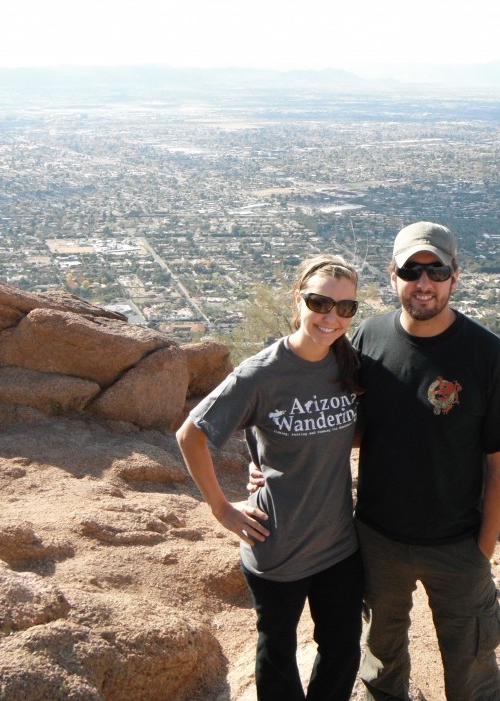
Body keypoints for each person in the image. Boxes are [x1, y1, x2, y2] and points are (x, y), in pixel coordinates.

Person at [176, 254, 364, 701]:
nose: (331, 317)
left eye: (345, 308)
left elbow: (348, 434)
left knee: (342, 648)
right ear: (298, 300)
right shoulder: (262, 373)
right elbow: (191, 436)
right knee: (276, 652)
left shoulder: (350, 365)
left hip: (338, 542)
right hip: (277, 544)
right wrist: (221, 509)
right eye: (320, 302)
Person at [352, 221, 500, 701]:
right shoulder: (368, 339)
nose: (423, 283)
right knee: (380, 661)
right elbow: (344, 426)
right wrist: (269, 461)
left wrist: (483, 549)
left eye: (436, 270)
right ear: (393, 276)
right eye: (411, 270)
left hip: (458, 543)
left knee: (471, 668)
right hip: (379, 538)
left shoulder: (487, 354)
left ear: (455, 276)